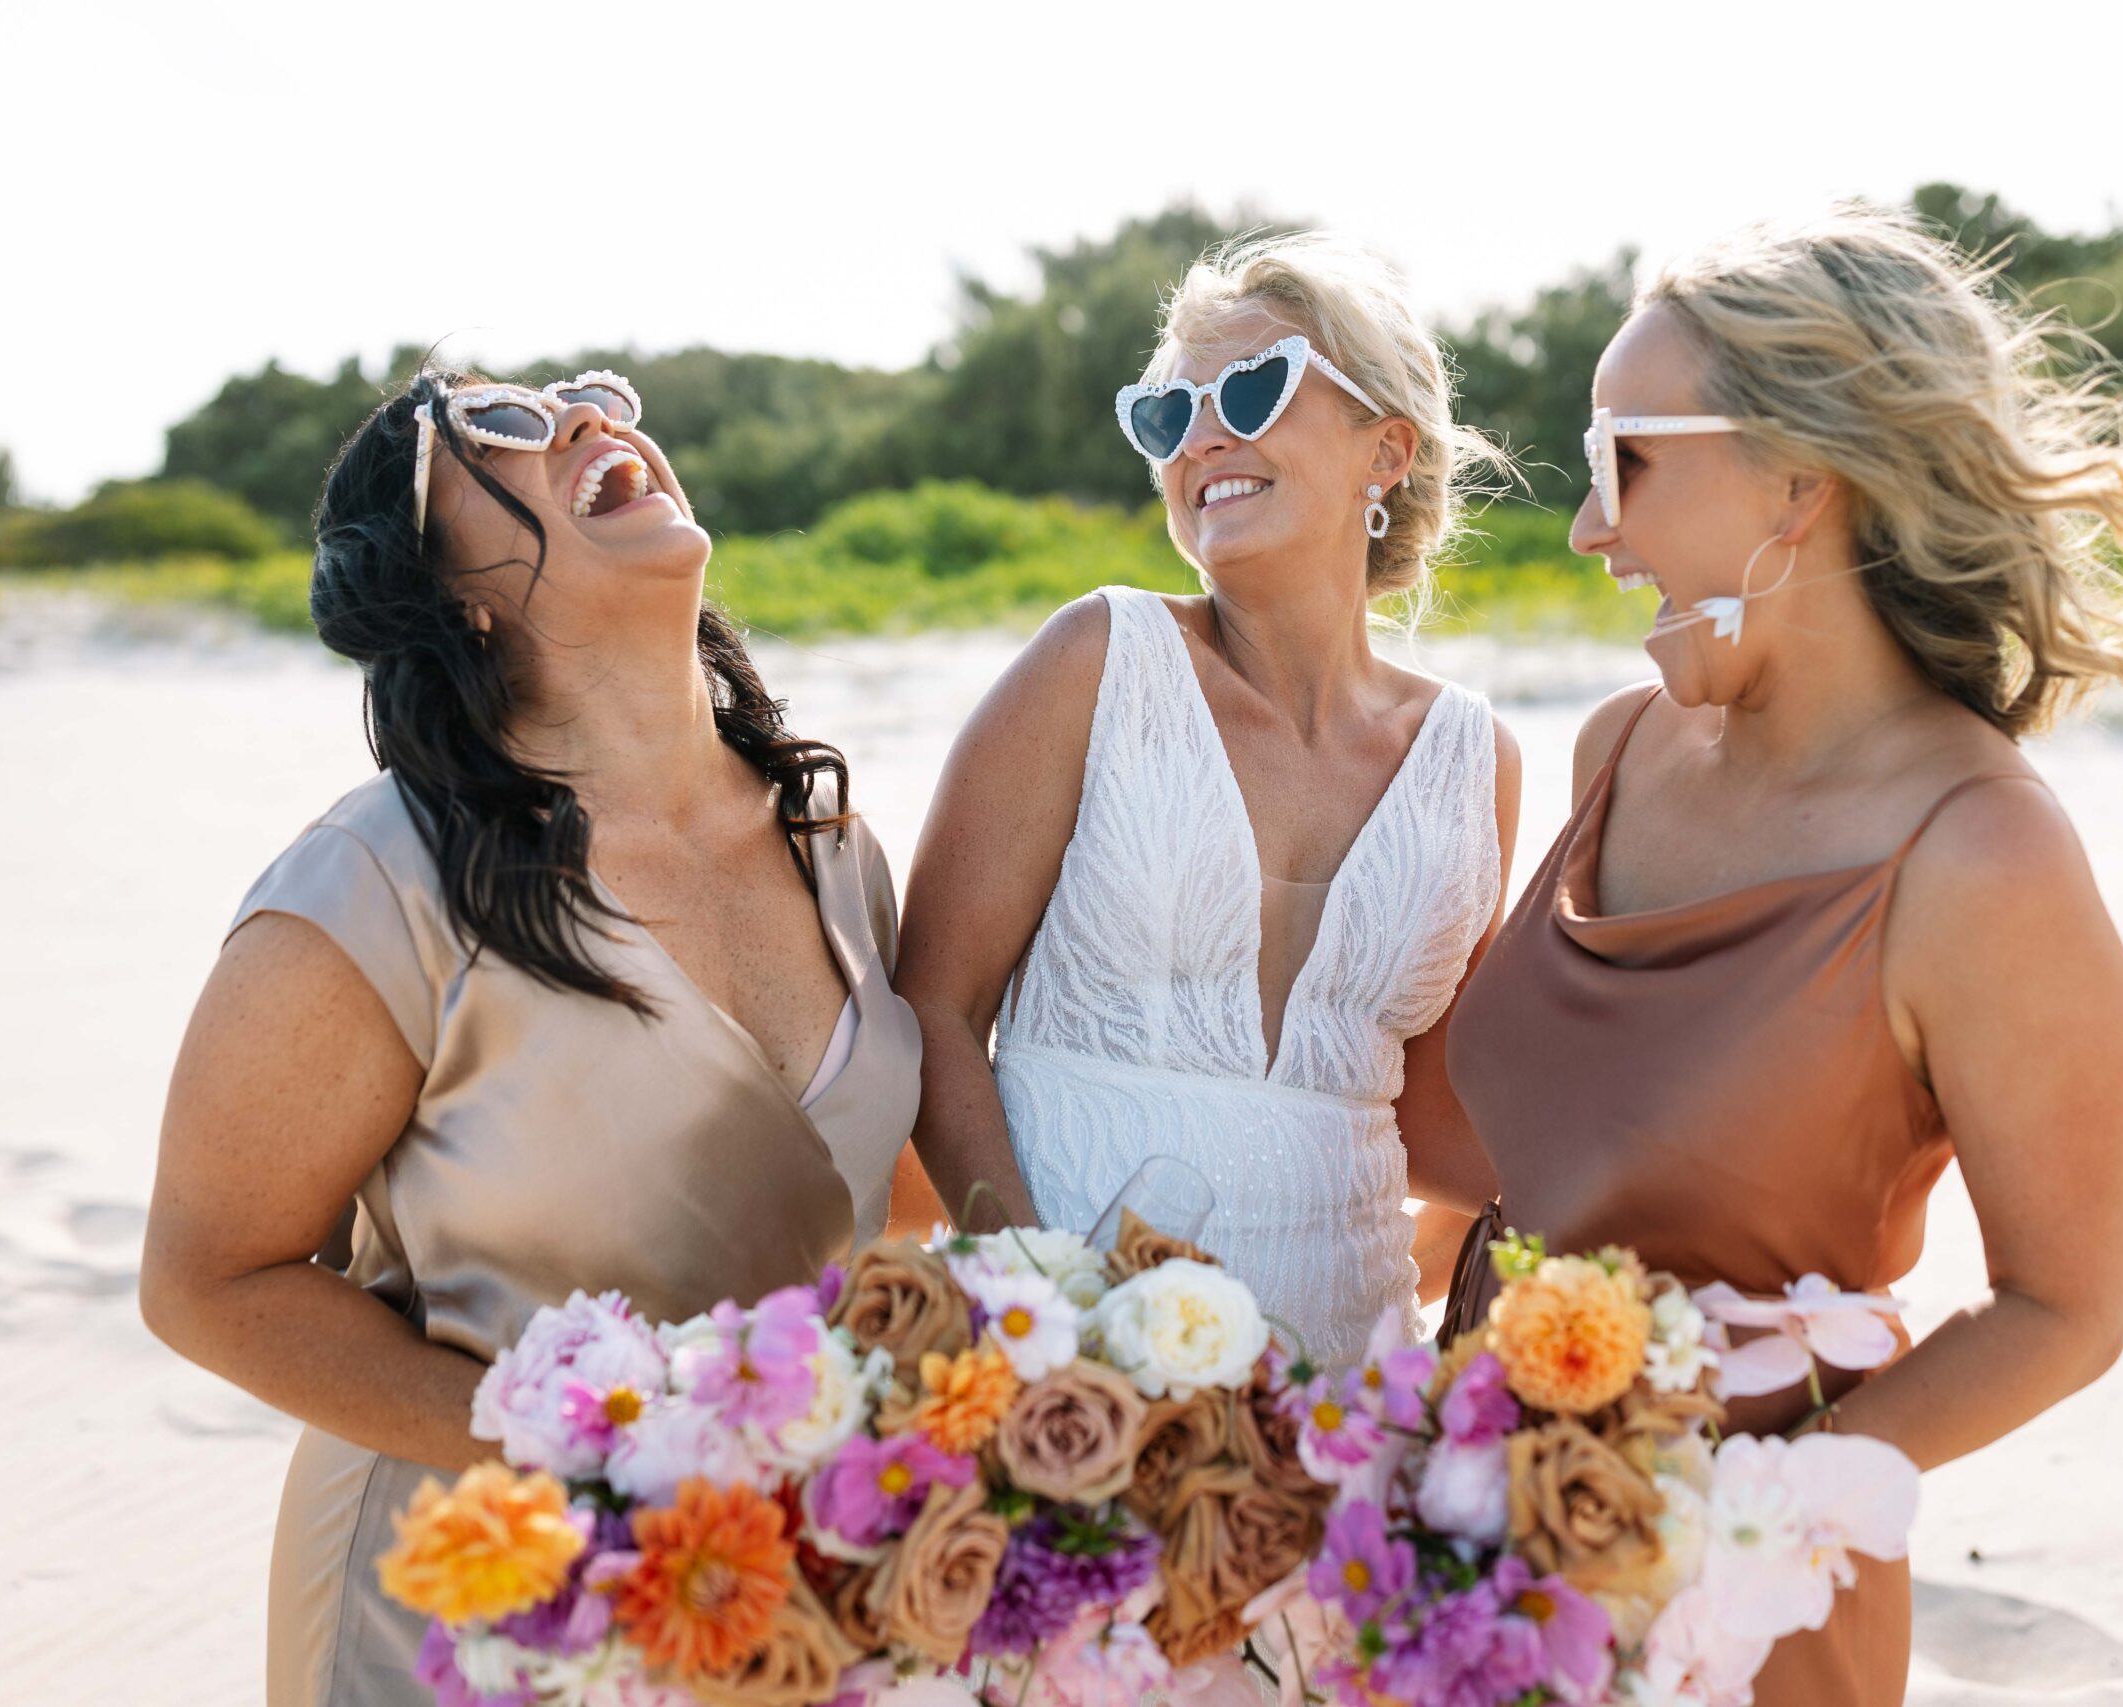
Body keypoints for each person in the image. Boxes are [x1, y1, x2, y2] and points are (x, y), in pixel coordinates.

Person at [1445, 206, 2123, 1705]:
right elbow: (1535, 1140)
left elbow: (2065, 1310)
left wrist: (1743, 1517)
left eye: (1629, 457)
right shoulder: (1620, 748)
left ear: (1802, 479)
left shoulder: (1981, 859)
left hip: (1740, 1609)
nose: (1588, 525)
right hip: (1469, 1532)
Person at [138, 367, 922, 1705]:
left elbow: (882, 1220)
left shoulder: (834, 847)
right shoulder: (379, 883)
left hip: (755, 1588)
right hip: (461, 1598)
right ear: (453, 592)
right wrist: (579, 1447)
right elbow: (206, 1279)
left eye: (592, 389)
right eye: (498, 422)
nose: (582, 417)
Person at [898, 235, 1519, 1370]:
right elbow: (933, 1010)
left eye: (1248, 389)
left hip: (1348, 1382)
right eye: (1164, 416)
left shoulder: (1470, 759)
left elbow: (1434, 1125)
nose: (1203, 438)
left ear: (1386, 448)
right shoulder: (1097, 662)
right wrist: (1045, 1300)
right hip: (1067, 1367)